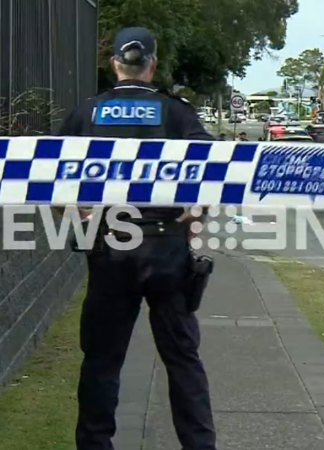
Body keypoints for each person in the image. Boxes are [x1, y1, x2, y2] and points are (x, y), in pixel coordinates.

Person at [57, 26, 217, 450]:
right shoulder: (177, 114)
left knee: (102, 362)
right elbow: (211, 179)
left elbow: (52, 184)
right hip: (167, 249)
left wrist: (79, 212)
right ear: (153, 65)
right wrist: (195, 223)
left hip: (109, 246)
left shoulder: (85, 113)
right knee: (183, 360)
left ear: (114, 64)